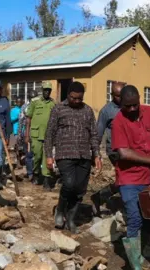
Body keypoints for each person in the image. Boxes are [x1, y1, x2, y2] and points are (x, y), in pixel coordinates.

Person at [111, 85, 150, 269]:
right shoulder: (118, 121)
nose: (131, 109)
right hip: (129, 178)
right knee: (135, 217)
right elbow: (123, 152)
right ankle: (135, 263)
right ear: (121, 103)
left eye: (134, 105)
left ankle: (139, 248)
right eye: (127, 106)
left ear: (139, 100)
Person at [45, 81, 102, 233]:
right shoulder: (58, 109)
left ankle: (71, 218)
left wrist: (96, 154)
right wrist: (49, 156)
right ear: (68, 95)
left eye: (79, 99)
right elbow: (49, 133)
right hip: (65, 154)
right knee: (69, 184)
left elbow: (94, 134)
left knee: (80, 190)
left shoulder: (88, 111)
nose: (76, 101)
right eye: (73, 98)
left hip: (84, 155)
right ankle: (60, 210)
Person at [91, 82, 125, 217]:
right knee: (125, 178)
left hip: (130, 150)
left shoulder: (129, 107)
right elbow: (98, 134)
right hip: (115, 151)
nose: (121, 99)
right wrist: (96, 154)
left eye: (122, 95)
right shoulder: (106, 111)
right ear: (112, 95)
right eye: (117, 96)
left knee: (127, 179)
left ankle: (100, 197)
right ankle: (100, 198)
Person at [25, 81, 56, 189]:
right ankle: (36, 173)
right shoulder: (35, 102)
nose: (47, 92)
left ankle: (46, 179)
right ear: (42, 90)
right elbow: (28, 118)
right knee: (37, 156)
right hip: (36, 134)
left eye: (49, 90)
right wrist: (27, 135)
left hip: (48, 134)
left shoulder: (53, 104)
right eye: (45, 90)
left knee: (46, 156)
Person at [17, 93, 36, 181]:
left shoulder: (39, 105)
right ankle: (30, 173)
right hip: (27, 134)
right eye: (32, 97)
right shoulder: (24, 107)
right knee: (29, 155)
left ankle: (37, 172)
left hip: (38, 134)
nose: (33, 99)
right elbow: (20, 121)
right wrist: (19, 135)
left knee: (37, 155)